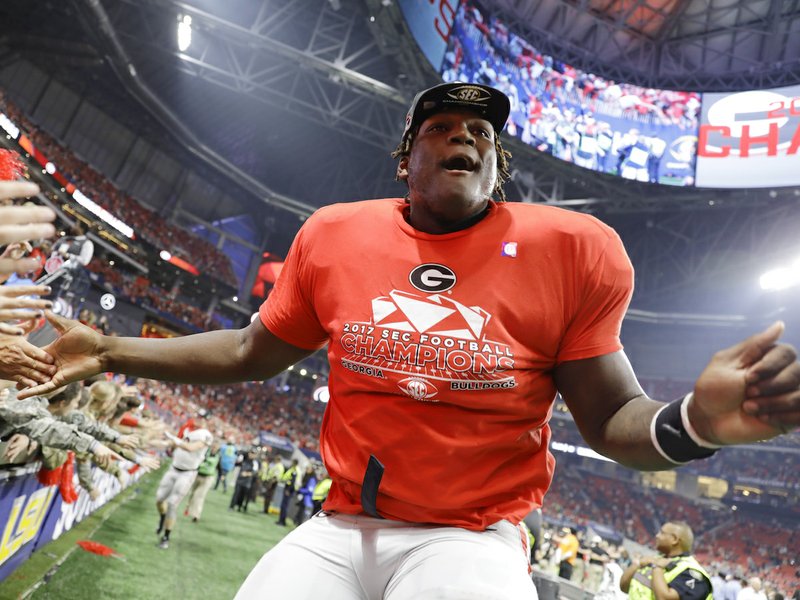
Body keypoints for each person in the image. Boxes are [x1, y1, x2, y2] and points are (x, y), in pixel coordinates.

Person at [15, 82, 800, 599]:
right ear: (406, 159)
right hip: (342, 523)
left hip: (468, 537)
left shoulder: (572, 251)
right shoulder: (335, 235)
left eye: (482, 135)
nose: (464, 137)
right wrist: (112, 347)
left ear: (497, 170)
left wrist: (693, 423)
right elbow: (252, 350)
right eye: (441, 127)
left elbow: (611, 417)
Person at [155, 422, 213, 549]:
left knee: (172, 504)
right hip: (174, 468)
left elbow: (191, 448)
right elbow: (171, 444)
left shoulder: (206, 435)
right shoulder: (186, 429)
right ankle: (162, 518)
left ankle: (166, 537)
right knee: (159, 499)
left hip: (187, 473)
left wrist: (175, 440)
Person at [620, 521, 712, 600]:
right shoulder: (654, 559)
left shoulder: (692, 573)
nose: (657, 536)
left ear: (675, 539)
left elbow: (664, 599)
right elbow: (624, 587)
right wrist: (637, 564)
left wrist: (657, 567)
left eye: (662, 533)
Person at [185, 439, 220, 522]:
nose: (214, 448)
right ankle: (188, 508)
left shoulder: (219, 456)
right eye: (213, 446)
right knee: (192, 493)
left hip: (208, 478)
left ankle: (196, 515)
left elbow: (219, 467)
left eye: (216, 446)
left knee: (199, 496)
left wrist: (222, 476)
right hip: (198, 475)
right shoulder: (204, 452)